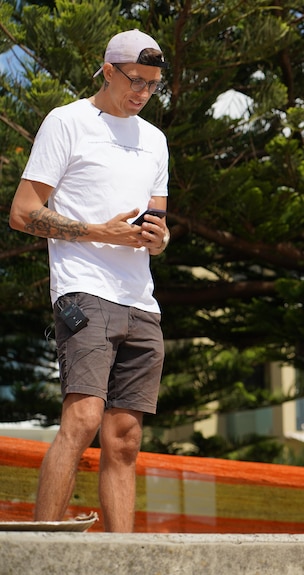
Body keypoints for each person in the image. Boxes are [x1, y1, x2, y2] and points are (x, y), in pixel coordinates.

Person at [8, 29, 170, 532]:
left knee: (124, 438)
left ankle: (124, 559)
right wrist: (101, 232)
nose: (143, 93)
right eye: (135, 80)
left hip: (141, 300)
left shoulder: (156, 140)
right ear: (108, 70)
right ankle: (43, 550)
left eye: (153, 85)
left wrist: (158, 239)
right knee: (81, 420)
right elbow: (23, 212)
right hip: (84, 291)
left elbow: (157, 227)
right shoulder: (68, 121)